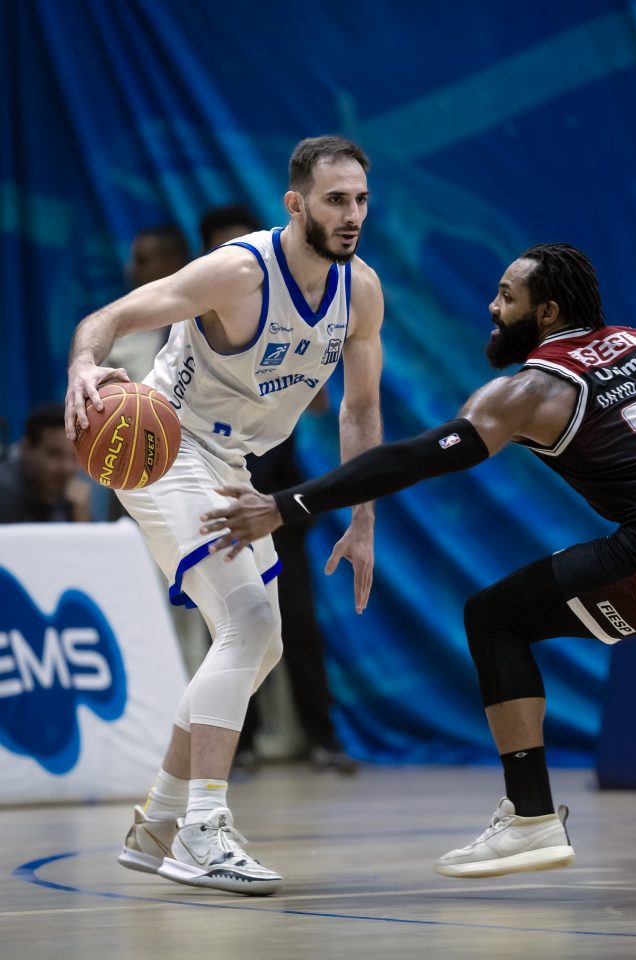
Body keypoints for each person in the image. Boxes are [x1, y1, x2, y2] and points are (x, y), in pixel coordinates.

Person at [199, 242, 636, 880]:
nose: (492, 308)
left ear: (547, 313)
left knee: (495, 618)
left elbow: (414, 459)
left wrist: (286, 505)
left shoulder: (532, 389)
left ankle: (531, 818)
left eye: (507, 297)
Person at [65, 135, 383, 896]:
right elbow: (112, 316)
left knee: (261, 647)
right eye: (335, 200)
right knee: (250, 623)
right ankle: (202, 829)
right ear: (296, 204)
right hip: (163, 445)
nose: (351, 215)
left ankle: (158, 822)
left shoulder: (361, 291)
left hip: (234, 466)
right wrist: (82, 362)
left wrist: (363, 521)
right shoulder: (238, 272)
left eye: (361, 200)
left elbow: (360, 410)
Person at [199, 203, 358, 774]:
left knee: (297, 621)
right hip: (217, 493)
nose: (240, 259)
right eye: (225, 249)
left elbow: (321, 403)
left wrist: (288, 371)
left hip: (277, 497)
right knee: (229, 625)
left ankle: (324, 738)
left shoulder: (294, 309)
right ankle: (236, 747)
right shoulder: (200, 317)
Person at [105, 225, 190, 382]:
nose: (131, 269)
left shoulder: (203, 325)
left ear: (172, 263)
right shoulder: (115, 333)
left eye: (142, 261)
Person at [0, 403, 91, 523]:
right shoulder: (5, 492)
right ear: (27, 450)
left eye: (74, 456)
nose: (66, 468)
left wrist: (82, 520)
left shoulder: (70, 496)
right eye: (54, 454)